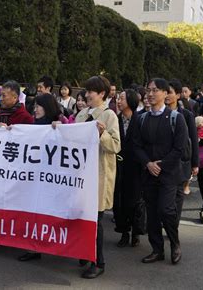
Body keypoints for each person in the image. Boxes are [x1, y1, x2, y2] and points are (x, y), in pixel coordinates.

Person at [133, 78, 187, 265]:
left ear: (165, 93)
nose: (151, 93)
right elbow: (136, 146)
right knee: (152, 213)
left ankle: (175, 243)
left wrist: (161, 165)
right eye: (149, 90)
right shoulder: (142, 118)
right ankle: (157, 249)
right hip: (148, 173)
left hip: (169, 174)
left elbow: (179, 148)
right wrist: (148, 163)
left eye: (155, 90)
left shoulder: (176, 118)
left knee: (166, 210)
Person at [75, 76, 121, 279]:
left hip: (99, 174)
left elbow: (115, 146)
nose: (87, 95)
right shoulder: (82, 114)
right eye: (87, 91)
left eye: (91, 91)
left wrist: (102, 134)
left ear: (101, 93)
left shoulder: (109, 115)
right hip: (81, 174)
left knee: (95, 221)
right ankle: (84, 252)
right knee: (81, 217)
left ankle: (98, 261)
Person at [17, 94, 63, 262]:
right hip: (34, 176)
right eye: (34, 106)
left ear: (47, 107)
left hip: (52, 178)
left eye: (38, 106)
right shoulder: (34, 125)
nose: (34, 110)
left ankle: (62, 246)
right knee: (34, 212)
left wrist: (61, 129)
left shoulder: (61, 123)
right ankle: (33, 248)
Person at [113, 89, 145, 248]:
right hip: (118, 166)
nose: (119, 101)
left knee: (135, 201)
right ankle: (124, 232)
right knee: (120, 201)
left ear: (131, 101)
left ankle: (136, 232)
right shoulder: (115, 120)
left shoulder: (140, 120)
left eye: (122, 99)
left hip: (136, 167)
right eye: (118, 99)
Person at [167, 79, 199, 202]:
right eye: (165, 92)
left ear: (178, 95)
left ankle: (173, 220)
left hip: (181, 161)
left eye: (170, 92)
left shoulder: (186, 115)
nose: (167, 95)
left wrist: (195, 163)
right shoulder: (156, 114)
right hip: (163, 160)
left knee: (177, 196)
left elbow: (193, 139)